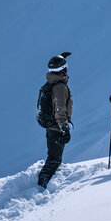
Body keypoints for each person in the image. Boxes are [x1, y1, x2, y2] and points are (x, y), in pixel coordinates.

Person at [36, 52, 73, 188]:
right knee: (54, 160)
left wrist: (61, 58)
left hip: (50, 126)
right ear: (62, 69)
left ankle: (46, 182)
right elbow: (60, 109)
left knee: (54, 156)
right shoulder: (59, 87)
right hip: (56, 127)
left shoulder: (51, 82)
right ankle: (41, 186)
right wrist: (65, 128)